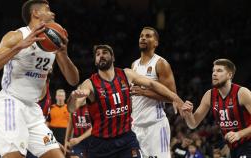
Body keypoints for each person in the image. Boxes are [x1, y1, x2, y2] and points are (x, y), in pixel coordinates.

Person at [0, 0, 79, 157]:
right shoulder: (17, 36)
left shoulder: (52, 43)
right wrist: (19, 47)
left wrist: (64, 55)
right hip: (10, 103)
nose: (53, 13)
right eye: (48, 9)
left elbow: (73, 81)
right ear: (36, 13)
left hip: (33, 110)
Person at [67, 44, 184, 158]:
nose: (100, 56)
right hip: (101, 143)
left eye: (104, 53)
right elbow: (72, 108)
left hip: (126, 139)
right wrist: (73, 97)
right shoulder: (89, 83)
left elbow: (152, 83)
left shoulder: (126, 74)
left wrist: (175, 97)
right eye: (97, 54)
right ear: (95, 61)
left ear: (113, 58)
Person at [181, 59, 251, 158]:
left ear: (230, 75)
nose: (214, 74)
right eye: (213, 71)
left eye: (219, 71)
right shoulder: (209, 95)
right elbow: (193, 124)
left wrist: (239, 134)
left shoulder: (242, 93)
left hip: (248, 143)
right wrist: (188, 114)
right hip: (233, 147)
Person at [131, 26, 177, 157]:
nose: (143, 38)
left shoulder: (160, 63)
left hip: (155, 126)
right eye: (141, 36)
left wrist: (145, 92)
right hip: (136, 126)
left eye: (148, 36)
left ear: (156, 43)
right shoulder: (134, 65)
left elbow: (172, 97)